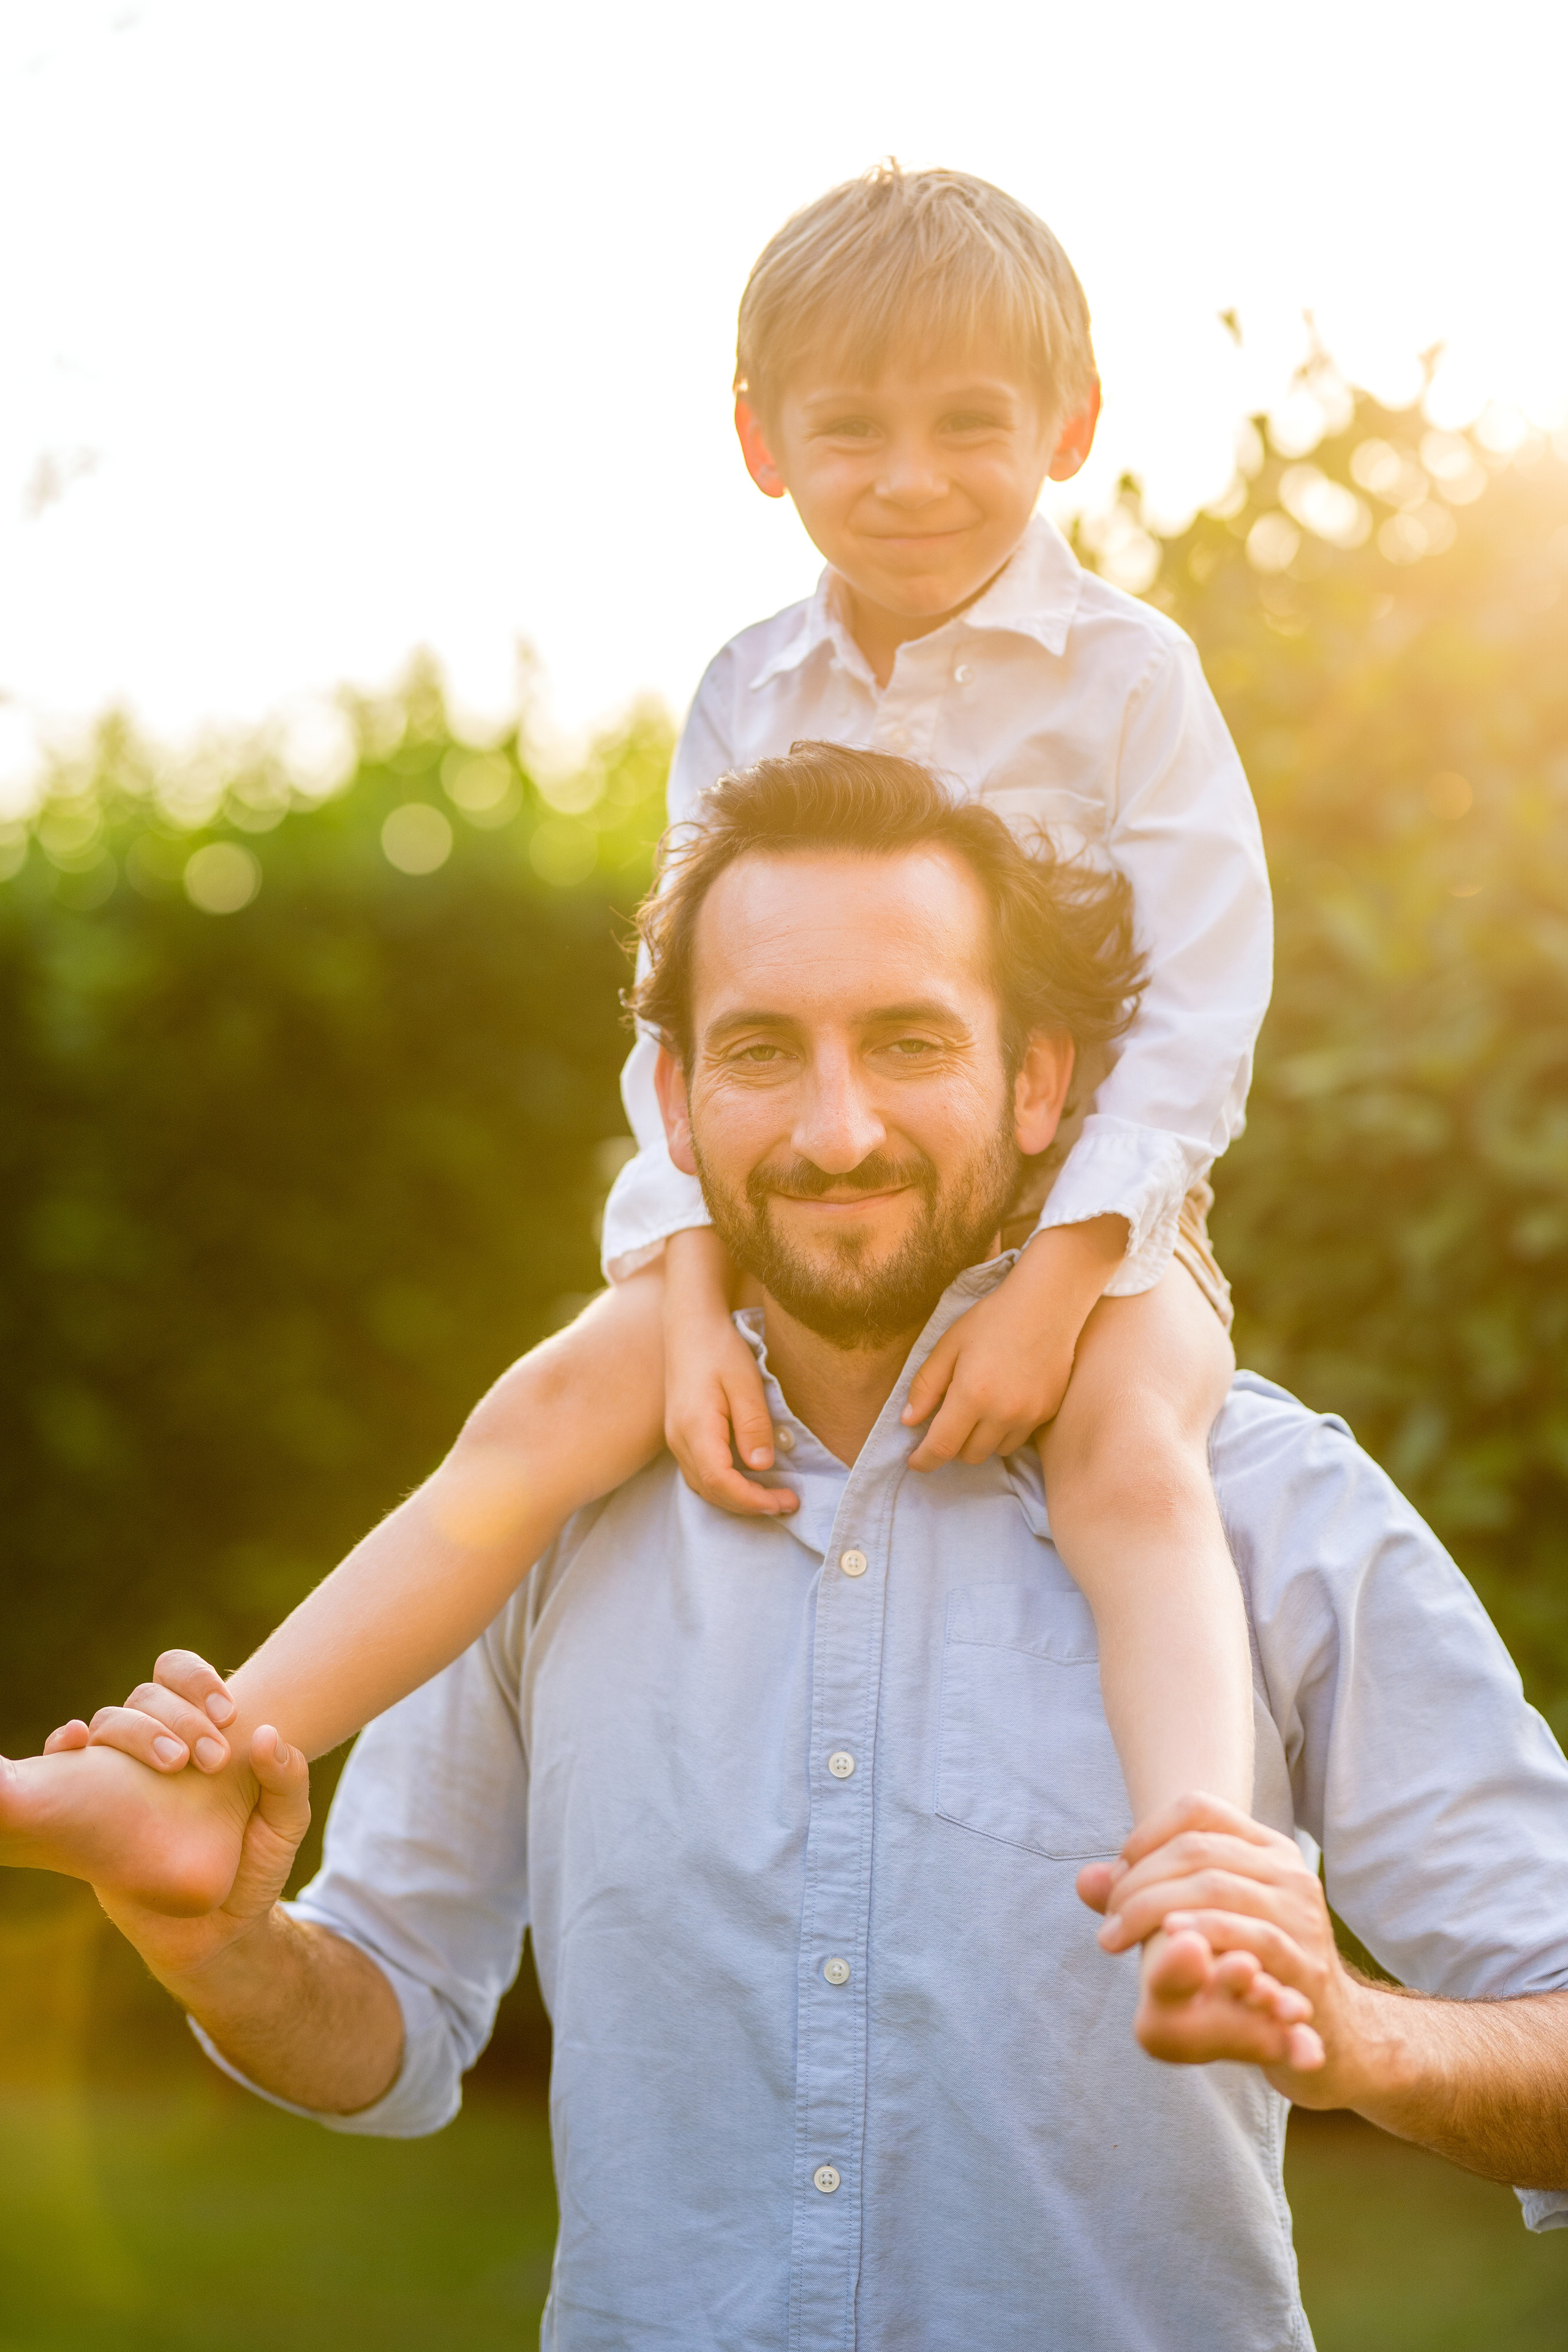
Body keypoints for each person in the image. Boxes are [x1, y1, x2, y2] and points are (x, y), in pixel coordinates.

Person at [12, 747, 1568, 2352]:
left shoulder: (1266, 1506)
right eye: (764, 1050)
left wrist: (1362, 2043)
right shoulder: (537, 1526)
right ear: (675, 1105)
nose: (837, 1133)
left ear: (1042, 1085)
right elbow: (385, 2027)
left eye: (908, 1042)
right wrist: (218, 1947)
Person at [48, 163, 1270, 2011]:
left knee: (1132, 1463)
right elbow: (679, 1030)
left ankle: (1202, 1879)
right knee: (542, 1409)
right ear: (759, 441)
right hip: (781, 1233)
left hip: (1098, 1232)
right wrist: (690, 1293)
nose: (910, 475)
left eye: (970, 426)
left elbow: (1204, 1004)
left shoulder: (1130, 679)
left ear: (1071, 428)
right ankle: (194, 1777)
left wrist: (1059, 1275)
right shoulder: (746, 690)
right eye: (849, 429)